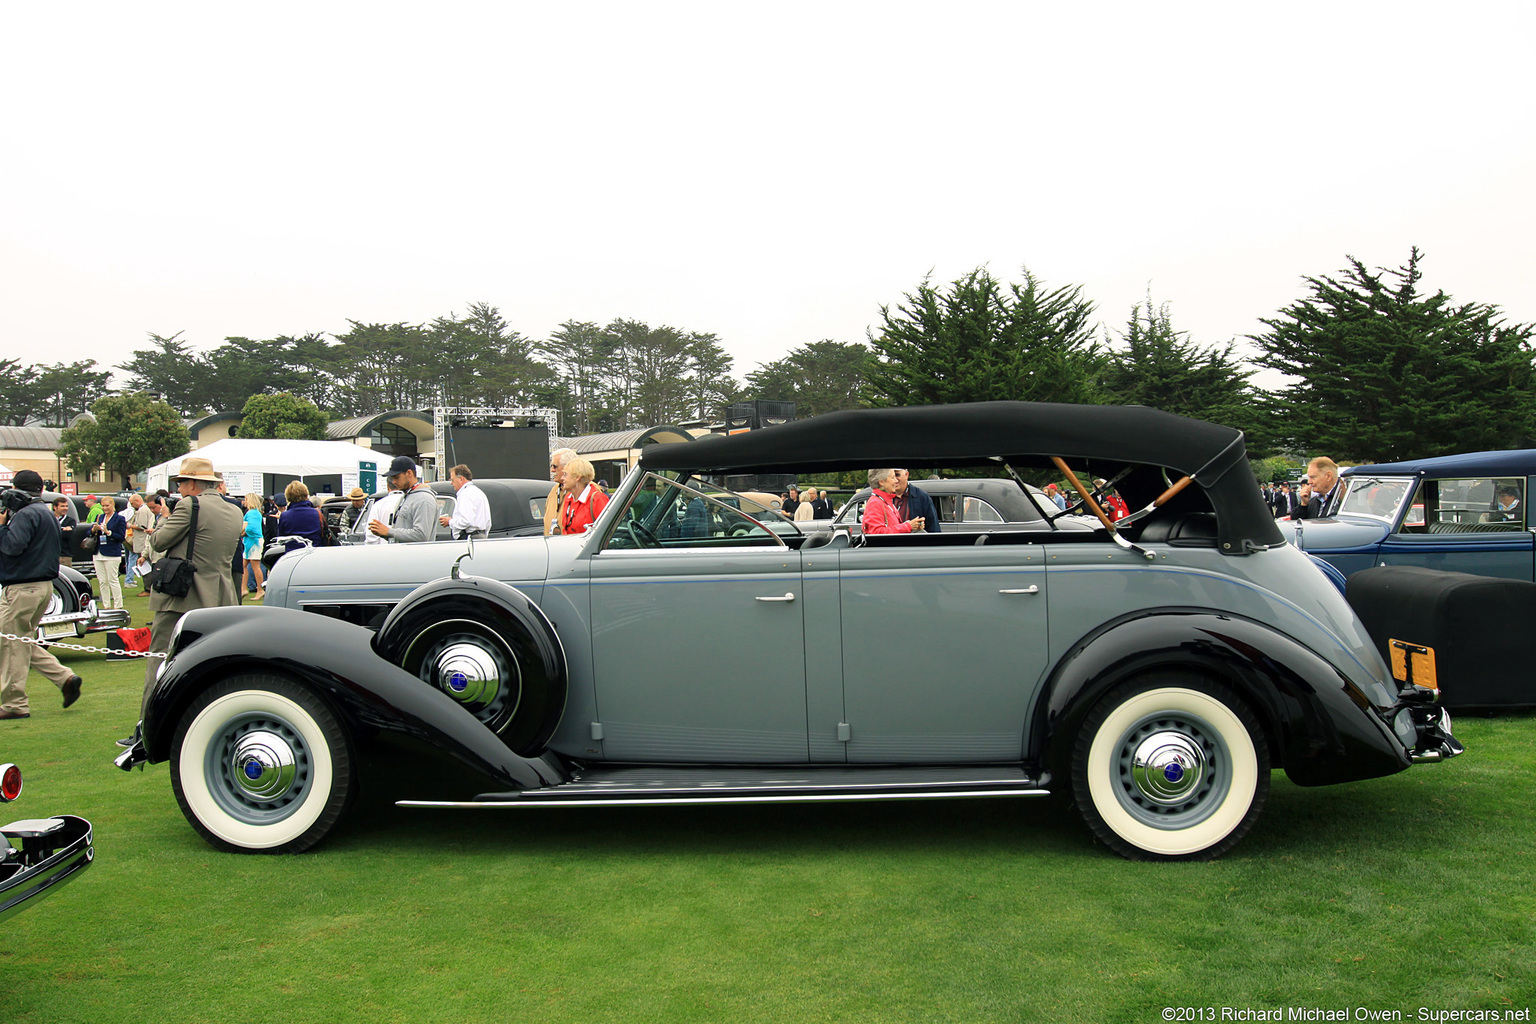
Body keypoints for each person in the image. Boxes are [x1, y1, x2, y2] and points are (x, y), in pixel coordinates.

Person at [120, 457, 244, 744]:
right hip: (221, 596)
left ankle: (146, 730)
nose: (180, 489)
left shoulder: (190, 506)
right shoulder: (234, 510)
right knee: (212, 666)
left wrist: (165, 517)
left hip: (181, 596)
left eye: (181, 483)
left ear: (192, 483)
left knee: (159, 661)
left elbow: (158, 542)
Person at [0, 470, 83, 719]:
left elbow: (12, 547)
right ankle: (65, 678)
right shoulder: (44, 513)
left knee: (11, 643)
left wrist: (2, 527)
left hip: (23, 586)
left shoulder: (26, 515)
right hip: (43, 586)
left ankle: (14, 704)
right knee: (21, 640)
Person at [367, 456, 437, 543]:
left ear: (409, 473)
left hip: (417, 555)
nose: (393, 482)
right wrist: (383, 533)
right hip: (404, 554)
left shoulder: (424, 499)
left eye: (396, 477)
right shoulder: (407, 495)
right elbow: (401, 535)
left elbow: (421, 535)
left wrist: (388, 531)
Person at [862, 469, 924, 535]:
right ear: (881, 482)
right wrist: (908, 526)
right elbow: (876, 533)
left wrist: (913, 527)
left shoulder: (884, 501)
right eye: (893, 478)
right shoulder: (875, 503)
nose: (896, 481)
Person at [91, 496, 127, 610]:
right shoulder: (99, 517)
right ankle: (106, 605)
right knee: (102, 581)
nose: (105, 508)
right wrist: (94, 530)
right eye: (103, 505)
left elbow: (121, 537)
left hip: (112, 553)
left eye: (107, 505)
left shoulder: (119, 519)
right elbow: (89, 532)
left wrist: (108, 532)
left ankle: (118, 605)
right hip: (98, 552)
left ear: (113, 506)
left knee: (112, 580)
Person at [558, 457, 608, 536]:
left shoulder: (597, 499)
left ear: (577, 477)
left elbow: (606, 531)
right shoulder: (568, 498)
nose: (562, 478)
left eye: (565, 474)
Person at [439, 463, 491, 539]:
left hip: (469, 538)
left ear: (461, 479)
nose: (451, 483)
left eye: (453, 480)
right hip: (481, 537)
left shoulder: (465, 494)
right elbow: (488, 523)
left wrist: (450, 521)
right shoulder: (479, 493)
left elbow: (466, 521)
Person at [278, 480, 324, 551]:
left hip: (293, 554)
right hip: (314, 553)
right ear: (306, 494)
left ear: (288, 496)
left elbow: (281, 538)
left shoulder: (285, 516)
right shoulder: (317, 513)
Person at [542, 448, 577, 536]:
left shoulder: (585, 490)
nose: (552, 470)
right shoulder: (554, 490)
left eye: (555, 466)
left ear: (568, 467)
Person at [125, 493, 154, 590]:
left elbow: (141, 526)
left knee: (144, 566)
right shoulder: (145, 509)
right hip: (144, 542)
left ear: (137, 501)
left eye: (133, 504)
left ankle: (148, 588)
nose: (132, 506)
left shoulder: (142, 510)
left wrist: (129, 526)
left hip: (142, 542)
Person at [241, 493, 266, 602]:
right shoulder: (254, 513)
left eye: (246, 499)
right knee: (244, 565)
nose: (244, 502)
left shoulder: (252, 513)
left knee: (255, 566)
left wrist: (242, 533)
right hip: (251, 541)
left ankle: (260, 589)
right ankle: (243, 589)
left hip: (254, 542)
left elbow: (251, 528)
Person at [52, 497, 77, 568]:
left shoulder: (70, 521)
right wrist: (62, 529)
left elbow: (68, 535)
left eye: (66, 506)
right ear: (55, 507)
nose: (65, 508)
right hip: (50, 554)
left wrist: (54, 530)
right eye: (62, 506)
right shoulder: (49, 518)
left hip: (65, 555)